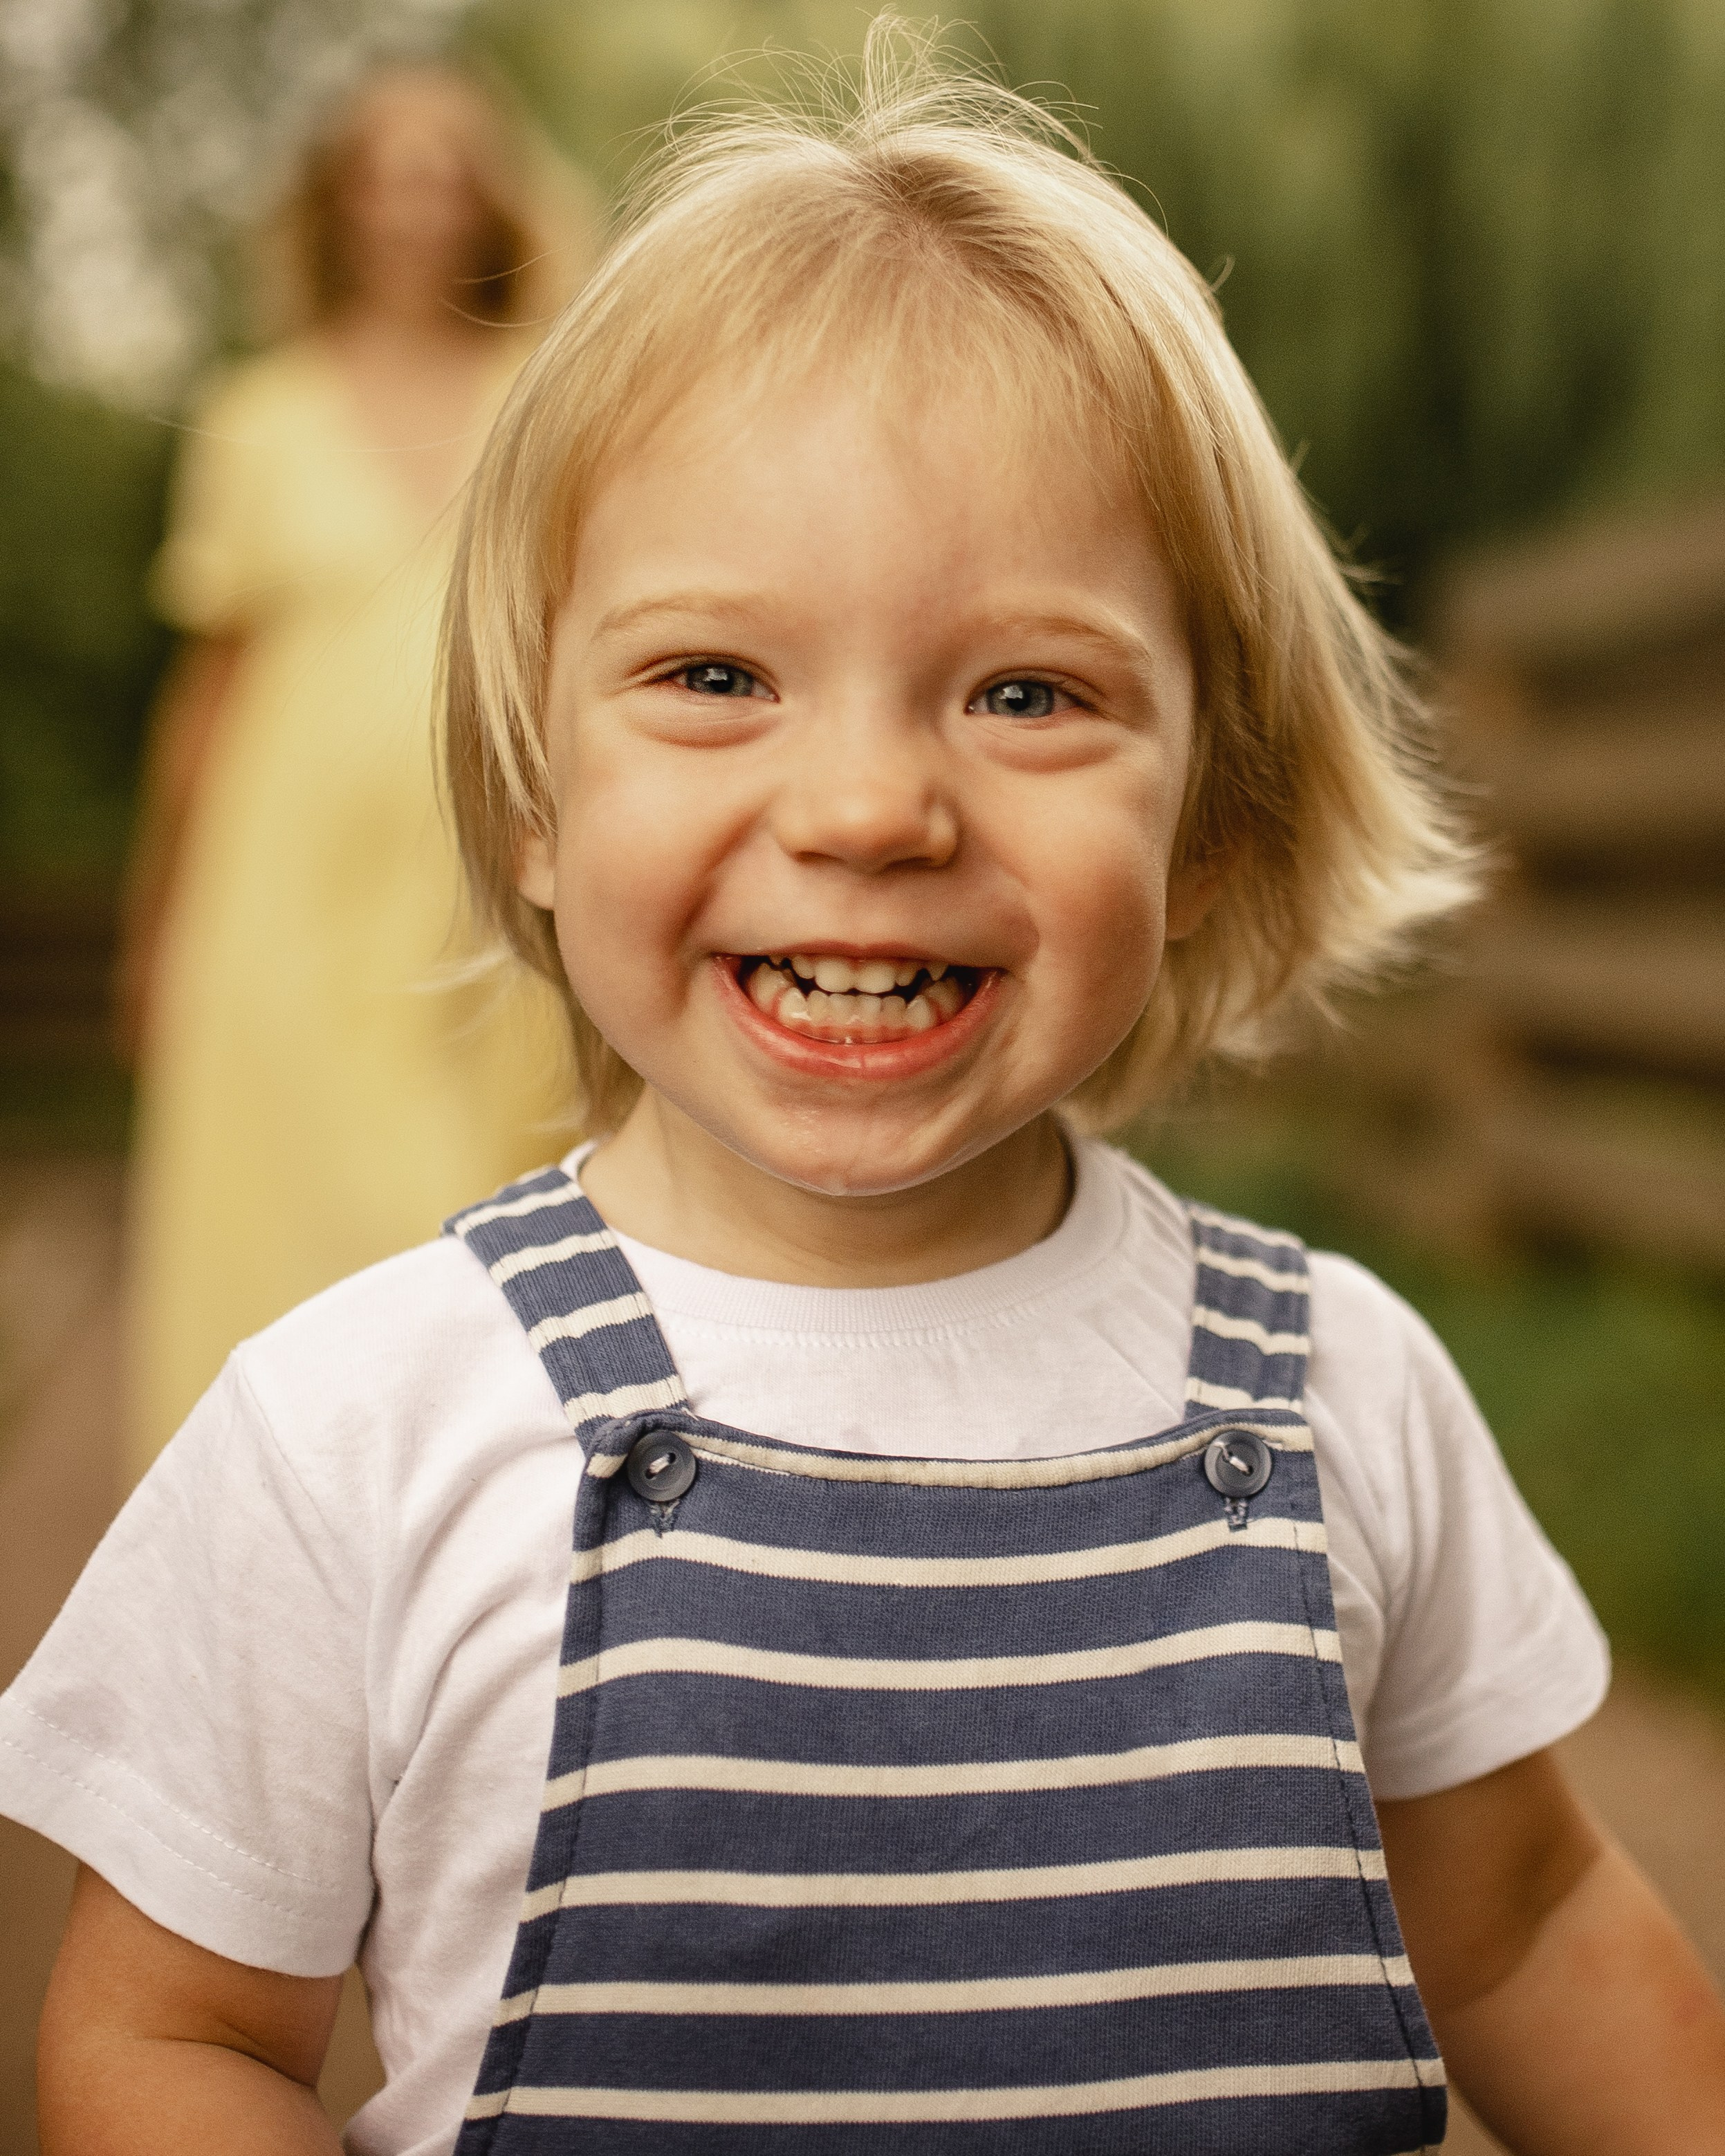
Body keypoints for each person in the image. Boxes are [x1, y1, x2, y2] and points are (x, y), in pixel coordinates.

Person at [10, 23, 1725, 2153]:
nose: (864, 803)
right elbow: (165, 2037)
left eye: (1026, 688)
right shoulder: (356, 1430)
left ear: (1205, 822)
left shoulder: (1331, 1392)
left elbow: (1532, 1917)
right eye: (715, 675)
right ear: (537, 794)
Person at [117, 62, 579, 1477]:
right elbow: (211, 690)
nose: (412, 197)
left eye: (444, 164)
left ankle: (476, 1511)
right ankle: (263, 1510)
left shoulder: (544, 394)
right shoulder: (256, 415)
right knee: (278, 1196)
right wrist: (160, 913)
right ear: (340, 202)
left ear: (485, 195)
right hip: (282, 888)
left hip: (482, 864)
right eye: (384, 167)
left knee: (466, 1200)